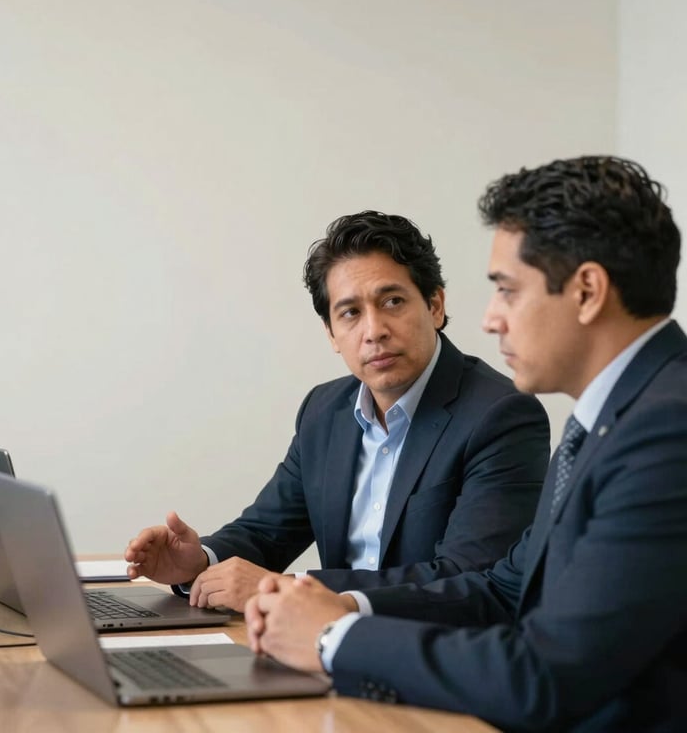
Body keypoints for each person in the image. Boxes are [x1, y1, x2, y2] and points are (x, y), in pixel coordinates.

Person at [246, 157, 687, 732]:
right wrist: (342, 607)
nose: (491, 319)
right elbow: (503, 588)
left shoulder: (666, 432)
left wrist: (334, 639)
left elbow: (546, 676)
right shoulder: (617, 416)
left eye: (507, 291)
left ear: (586, 291)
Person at [125, 210, 549, 612]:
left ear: (435, 306)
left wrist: (288, 590)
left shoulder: (502, 415)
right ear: (331, 333)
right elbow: (266, 532)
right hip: (322, 644)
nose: (374, 331)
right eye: (350, 313)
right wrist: (198, 561)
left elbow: (469, 580)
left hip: (428, 653)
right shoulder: (325, 410)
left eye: (393, 302)